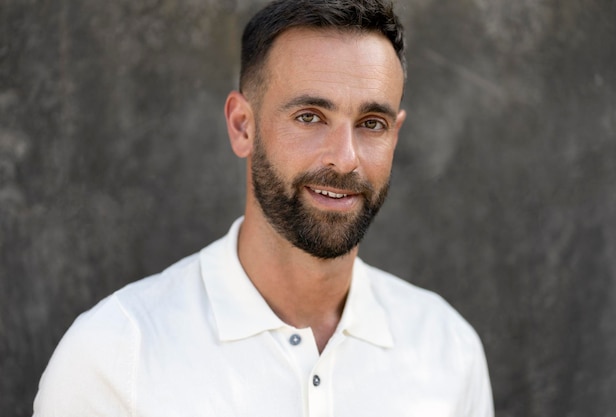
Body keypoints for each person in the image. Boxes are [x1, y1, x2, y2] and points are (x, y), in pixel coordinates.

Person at [33, 0, 494, 415]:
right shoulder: (115, 355)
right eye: (310, 116)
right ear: (241, 127)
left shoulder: (449, 351)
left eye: (372, 123)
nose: (345, 157)